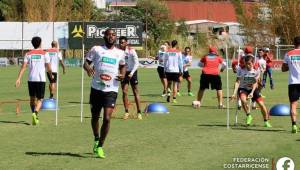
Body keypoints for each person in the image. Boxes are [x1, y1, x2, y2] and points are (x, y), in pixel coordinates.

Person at [83, 28, 126, 158]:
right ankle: (96, 139)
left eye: (113, 35)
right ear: (104, 37)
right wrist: (89, 68)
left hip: (111, 89)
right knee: (95, 117)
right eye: (109, 34)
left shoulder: (120, 53)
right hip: (96, 88)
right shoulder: (96, 49)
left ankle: (100, 146)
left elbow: (123, 66)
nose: (111, 37)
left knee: (107, 118)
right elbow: (85, 63)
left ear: (115, 38)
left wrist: (123, 75)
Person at [15, 36, 53, 125]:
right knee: (40, 99)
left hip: (31, 79)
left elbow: (23, 67)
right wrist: (51, 76)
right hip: (41, 79)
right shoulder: (45, 53)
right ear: (40, 43)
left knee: (32, 99)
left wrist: (19, 78)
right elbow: (49, 67)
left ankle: (33, 113)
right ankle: (35, 113)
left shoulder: (28, 54)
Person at [231, 54, 272, 127]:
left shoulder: (256, 70)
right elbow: (237, 82)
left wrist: (252, 92)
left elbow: (255, 82)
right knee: (243, 100)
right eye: (246, 64)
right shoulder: (241, 69)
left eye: (249, 64)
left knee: (262, 105)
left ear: (253, 63)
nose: (247, 65)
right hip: (243, 88)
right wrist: (234, 93)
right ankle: (248, 115)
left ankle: (266, 121)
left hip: (253, 88)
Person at [118, 36, 142, 120]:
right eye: (120, 42)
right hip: (123, 73)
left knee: (135, 92)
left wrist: (131, 73)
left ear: (126, 43)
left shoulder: (131, 50)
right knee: (124, 92)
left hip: (132, 72)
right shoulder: (118, 51)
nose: (121, 44)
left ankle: (139, 112)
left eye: (122, 42)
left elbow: (137, 63)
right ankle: (126, 112)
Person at [282, 36, 300, 133]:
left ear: (294, 43)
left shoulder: (288, 54)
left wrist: (291, 67)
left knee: (293, 104)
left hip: (293, 83)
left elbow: (283, 69)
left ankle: (294, 125)